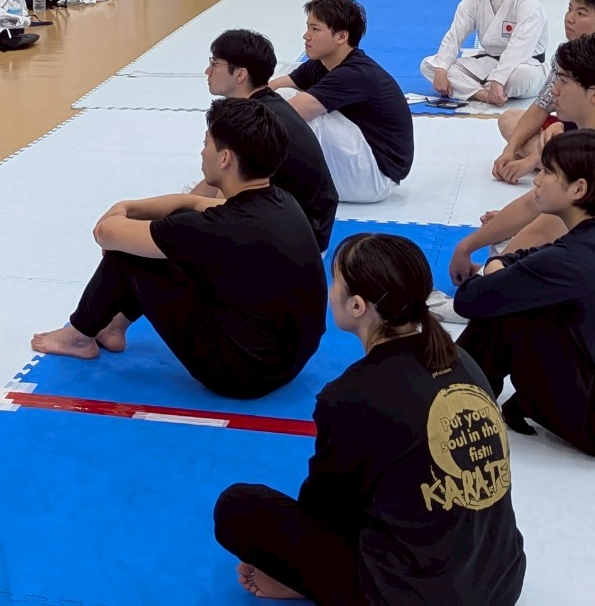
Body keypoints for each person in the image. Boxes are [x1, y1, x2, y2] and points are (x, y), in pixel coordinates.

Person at [214, 234, 526, 605]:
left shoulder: (351, 395)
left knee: (237, 507)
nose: (330, 292)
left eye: (335, 283)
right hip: (501, 581)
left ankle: (300, 584)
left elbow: (325, 513)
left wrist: (292, 568)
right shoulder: (462, 360)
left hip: (413, 597)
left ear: (357, 306)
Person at [30, 98, 326, 399]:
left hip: (242, 374)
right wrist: (128, 207)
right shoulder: (281, 201)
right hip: (289, 360)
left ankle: (78, 337)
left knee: (128, 254)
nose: (202, 152)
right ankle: (113, 327)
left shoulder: (215, 228)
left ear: (225, 158)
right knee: (167, 240)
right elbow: (192, 202)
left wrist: (120, 217)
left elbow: (105, 234)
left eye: (206, 143)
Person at [454, 130, 595, 462]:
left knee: (512, 309)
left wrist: (494, 265)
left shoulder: (574, 259)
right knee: (526, 293)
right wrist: (504, 266)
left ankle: (452, 398)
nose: (537, 180)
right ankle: (482, 395)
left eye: (548, 172)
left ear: (578, 189)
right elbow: (535, 259)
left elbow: (469, 300)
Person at [447, 34, 595, 288]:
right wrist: (468, 246)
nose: (554, 90)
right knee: (505, 239)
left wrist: (483, 282)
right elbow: (533, 202)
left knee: (514, 252)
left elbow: (543, 230)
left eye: (563, 80)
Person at [189, 30, 338, 251]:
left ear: (240, 74)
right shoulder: (265, 106)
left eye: (214, 63)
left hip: (298, 238)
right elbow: (214, 183)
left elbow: (223, 205)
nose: (207, 71)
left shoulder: (249, 125)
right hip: (307, 224)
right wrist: (179, 209)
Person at [269, 0, 414, 204]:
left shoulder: (354, 73)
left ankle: (258, 178)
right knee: (280, 98)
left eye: (315, 29)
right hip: (361, 163)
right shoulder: (321, 63)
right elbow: (272, 87)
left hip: (375, 177)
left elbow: (288, 113)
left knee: (288, 111)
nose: (306, 36)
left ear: (341, 36)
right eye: (307, 27)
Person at [493, 0, 595, 183]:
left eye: (580, 13)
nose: (569, 18)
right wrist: (509, 151)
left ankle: (554, 163)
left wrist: (532, 159)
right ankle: (557, 163)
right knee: (509, 119)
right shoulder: (566, 55)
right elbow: (542, 105)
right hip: (570, 132)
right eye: (569, 9)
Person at [420, 0, 547, 105]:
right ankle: (484, 94)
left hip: (525, 64)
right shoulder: (473, 1)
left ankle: (476, 87)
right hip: (488, 63)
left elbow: (520, 46)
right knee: (429, 66)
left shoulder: (527, 2)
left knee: (520, 78)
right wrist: (441, 69)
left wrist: (499, 79)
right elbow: (454, 36)